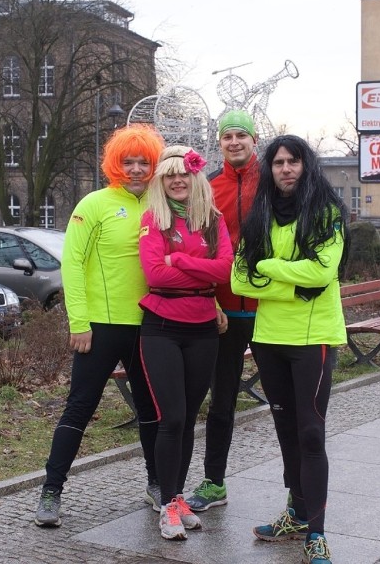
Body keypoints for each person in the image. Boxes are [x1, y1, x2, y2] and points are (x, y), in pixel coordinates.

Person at [34, 125, 165, 528]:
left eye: (145, 162)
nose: (138, 169)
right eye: (129, 162)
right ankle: (51, 492)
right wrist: (79, 321)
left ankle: (157, 484)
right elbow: (71, 264)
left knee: (151, 411)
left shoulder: (161, 206)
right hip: (100, 328)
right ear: (115, 164)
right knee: (79, 408)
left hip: (149, 327)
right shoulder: (94, 204)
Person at [230, 134, 349, 564]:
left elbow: (322, 273)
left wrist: (268, 267)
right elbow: (238, 280)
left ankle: (315, 533)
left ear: (306, 165)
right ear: (270, 168)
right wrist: (291, 285)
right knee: (285, 432)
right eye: (278, 162)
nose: (285, 169)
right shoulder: (259, 215)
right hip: (269, 339)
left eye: (293, 161)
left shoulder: (326, 212)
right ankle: (296, 513)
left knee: (311, 432)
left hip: (312, 338)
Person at [137, 145, 233, 540]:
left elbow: (225, 270)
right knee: (172, 418)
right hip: (161, 327)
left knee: (189, 418)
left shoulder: (213, 219)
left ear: (195, 178)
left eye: (184, 174)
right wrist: (201, 275)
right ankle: (167, 505)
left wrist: (182, 262)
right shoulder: (153, 218)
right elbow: (155, 276)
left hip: (203, 329)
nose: (178, 180)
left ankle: (177, 498)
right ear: (161, 181)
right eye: (170, 174)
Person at [185, 109, 260, 512]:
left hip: (271, 309)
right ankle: (214, 482)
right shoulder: (209, 186)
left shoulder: (273, 181)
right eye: (227, 136)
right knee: (222, 401)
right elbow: (198, 245)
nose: (234, 142)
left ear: (254, 140)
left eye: (241, 136)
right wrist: (211, 299)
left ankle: (296, 488)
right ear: (220, 143)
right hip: (226, 309)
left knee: (284, 401)